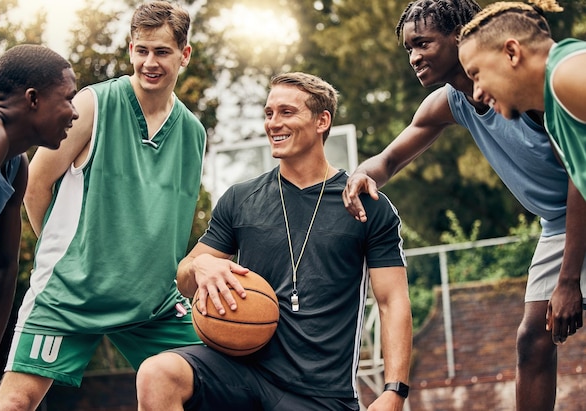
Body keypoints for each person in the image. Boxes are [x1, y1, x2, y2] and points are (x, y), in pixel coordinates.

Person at [341, 0, 586, 410]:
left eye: (423, 43)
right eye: (408, 48)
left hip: (577, 210)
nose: (414, 56)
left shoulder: (538, 84)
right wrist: (363, 175)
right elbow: (389, 159)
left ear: (461, 37)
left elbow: (581, 178)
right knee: (532, 339)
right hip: (559, 222)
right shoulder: (452, 101)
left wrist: (568, 280)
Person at [136, 72, 412, 411]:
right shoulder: (240, 199)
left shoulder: (366, 205)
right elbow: (184, 277)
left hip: (321, 393)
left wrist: (394, 390)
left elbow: (392, 301)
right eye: (269, 113)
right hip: (242, 373)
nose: (273, 123)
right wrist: (202, 265)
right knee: (157, 374)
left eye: (286, 112)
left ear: (322, 120)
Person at [0, 2, 206, 410]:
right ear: (129, 50)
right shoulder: (93, 105)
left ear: (184, 54)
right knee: (16, 402)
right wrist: (71, 256)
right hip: (73, 291)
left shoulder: (193, 133)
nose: (149, 62)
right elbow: (36, 184)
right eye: (141, 50)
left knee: (215, 385)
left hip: (153, 302)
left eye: (161, 51)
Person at [0, 44, 78, 408]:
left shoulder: (15, 165)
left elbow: (4, 266)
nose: (74, 113)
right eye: (68, 98)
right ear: (33, 99)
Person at [458, 0, 586, 201]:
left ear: (511, 53)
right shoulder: (555, 118)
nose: (477, 93)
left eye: (476, 75)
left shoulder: (567, 73)